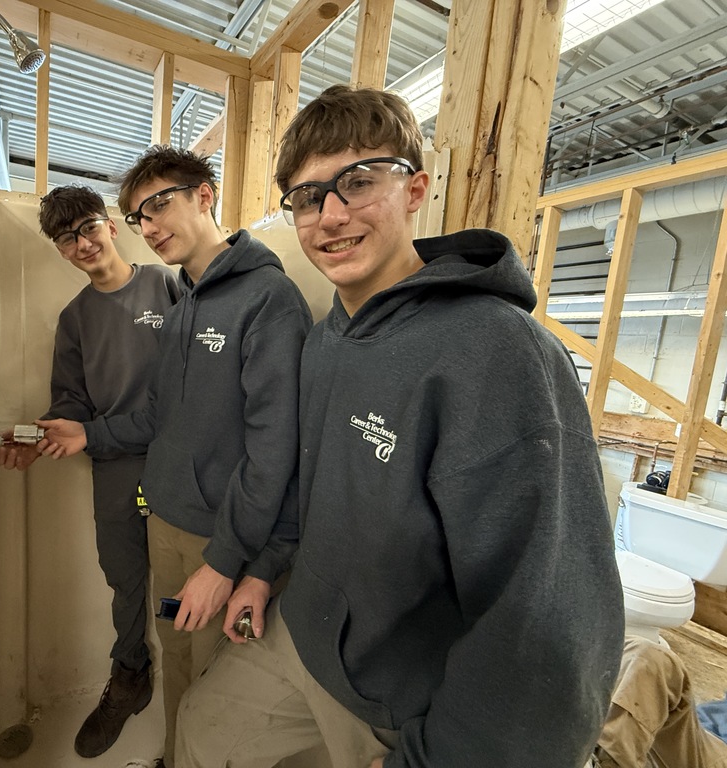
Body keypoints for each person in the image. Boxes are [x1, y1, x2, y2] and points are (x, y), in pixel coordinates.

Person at [175, 84, 625, 768]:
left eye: (357, 183)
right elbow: (307, 478)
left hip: (406, 705)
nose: (330, 215)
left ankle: (633, 725)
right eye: (306, 196)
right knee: (201, 733)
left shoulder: (499, 355)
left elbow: (542, 627)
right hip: (307, 638)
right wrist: (262, 572)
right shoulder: (328, 340)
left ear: (415, 190)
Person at [39, 146, 312, 767]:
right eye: (140, 214)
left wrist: (226, 561)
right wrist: (90, 437)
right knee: (179, 657)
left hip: (220, 542)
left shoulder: (268, 300)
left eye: (160, 204)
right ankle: (171, 756)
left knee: (221, 686)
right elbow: (160, 415)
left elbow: (278, 450)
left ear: (205, 194)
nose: (151, 224)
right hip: (165, 525)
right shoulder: (185, 300)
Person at [0, 184, 180, 759]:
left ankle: (197, 689)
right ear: (59, 250)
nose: (82, 243)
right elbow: (71, 400)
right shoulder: (74, 319)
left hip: (177, 461)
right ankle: (130, 675)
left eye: (89, 228)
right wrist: (42, 435)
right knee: (124, 575)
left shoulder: (169, 285)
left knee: (183, 579)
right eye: (67, 238)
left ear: (112, 227)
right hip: (116, 467)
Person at [590, 635, 727, 768]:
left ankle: (604, 758)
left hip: (712, 752)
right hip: (678, 739)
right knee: (642, 656)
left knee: (653, 658)